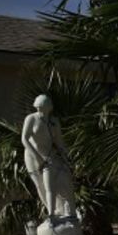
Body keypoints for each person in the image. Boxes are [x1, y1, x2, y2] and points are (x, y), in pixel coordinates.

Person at [21, 94, 76, 222]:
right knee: (41, 185)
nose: (40, 109)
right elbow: (24, 139)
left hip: (49, 155)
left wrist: (67, 157)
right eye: (39, 106)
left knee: (60, 179)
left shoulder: (54, 121)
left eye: (43, 106)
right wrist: (38, 158)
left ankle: (63, 210)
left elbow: (59, 143)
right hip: (32, 156)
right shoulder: (31, 118)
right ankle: (53, 212)